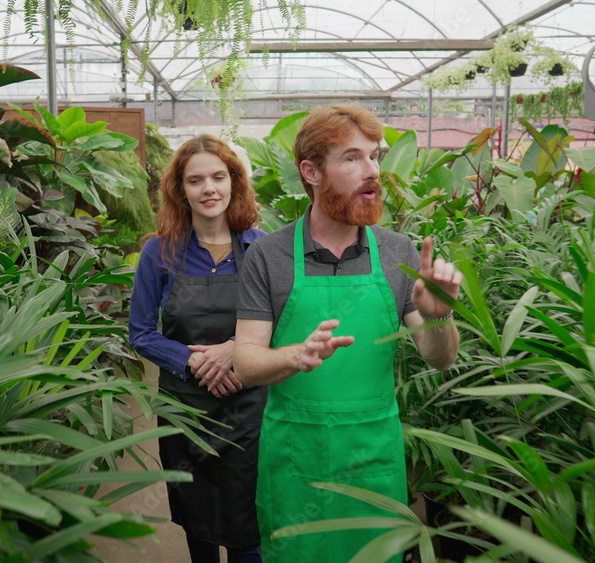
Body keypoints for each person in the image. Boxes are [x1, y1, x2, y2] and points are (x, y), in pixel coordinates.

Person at [233, 104, 462, 562]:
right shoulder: (269, 256)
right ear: (310, 171)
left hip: (372, 459)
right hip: (298, 459)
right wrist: (293, 357)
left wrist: (439, 315)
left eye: (374, 156)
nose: (372, 170)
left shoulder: (396, 250)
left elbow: (440, 357)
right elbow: (245, 362)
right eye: (352, 158)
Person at [129, 134, 268, 563]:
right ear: (180, 190)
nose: (209, 189)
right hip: (184, 409)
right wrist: (191, 361)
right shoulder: (159, 252)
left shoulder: (262, 248)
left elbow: (282, 323)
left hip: (247, 406)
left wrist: (232, 349)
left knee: (248, 525)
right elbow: (140, 333)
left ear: (234, 183)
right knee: (198, 521)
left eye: (218, 177)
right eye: (195, 180)